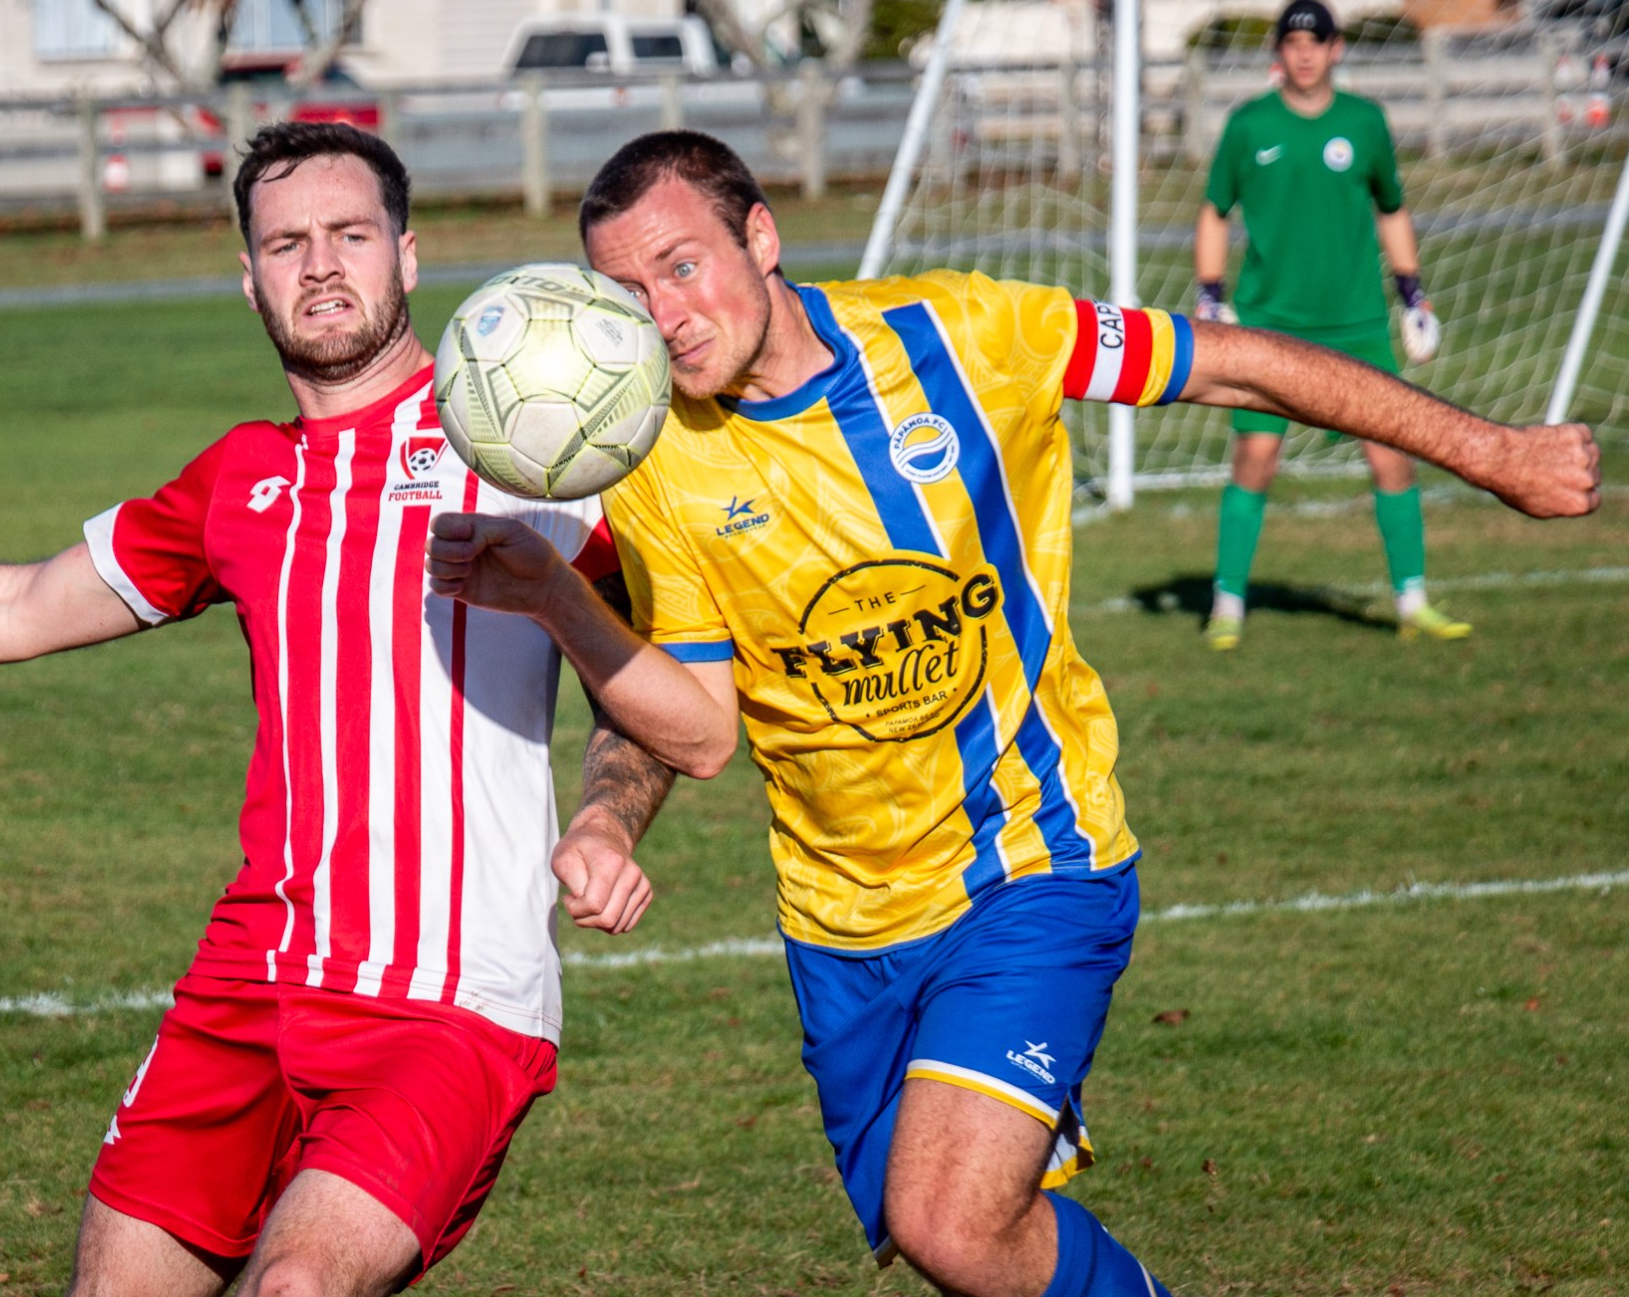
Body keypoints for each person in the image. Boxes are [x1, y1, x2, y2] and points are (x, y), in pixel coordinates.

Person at [425, 130, 1599, 1297]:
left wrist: (1492, 451)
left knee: (949, 1219)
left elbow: (1238, 368)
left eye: (682, 266)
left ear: (762, 238)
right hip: (843, 922)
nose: (667, 314)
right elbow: (700, 728)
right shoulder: (655, 457)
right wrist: (569, 654)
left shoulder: (966, 333)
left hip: (1031, 858)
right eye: (629, 294)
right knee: (963, 1241)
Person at [0, 123, 673, 1297]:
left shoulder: (531, 447)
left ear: (408, 255)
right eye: (287, 244)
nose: (321, 265)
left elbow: (651, 674)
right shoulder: (241, 479)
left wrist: (609, 819)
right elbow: (21, 604)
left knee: (298, 1285)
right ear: (250, 279)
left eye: (350, 234)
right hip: (250, 980)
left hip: (443, 1000)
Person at [1196, 0, 1464, 651]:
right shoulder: (1249, 125)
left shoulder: (1365, 122)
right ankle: (1227, 603)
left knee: (1391, 456)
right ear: (1279, 53)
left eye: (1316, 43)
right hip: (1269, 324)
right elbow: (1214, 210)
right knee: (1256, 457)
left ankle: (1412, 602)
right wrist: (1210, 295)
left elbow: (1391, 208)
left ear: (1336, 49)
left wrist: (1413, 294)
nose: (1305, 55)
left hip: (1356, 324)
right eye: (1293, 43)